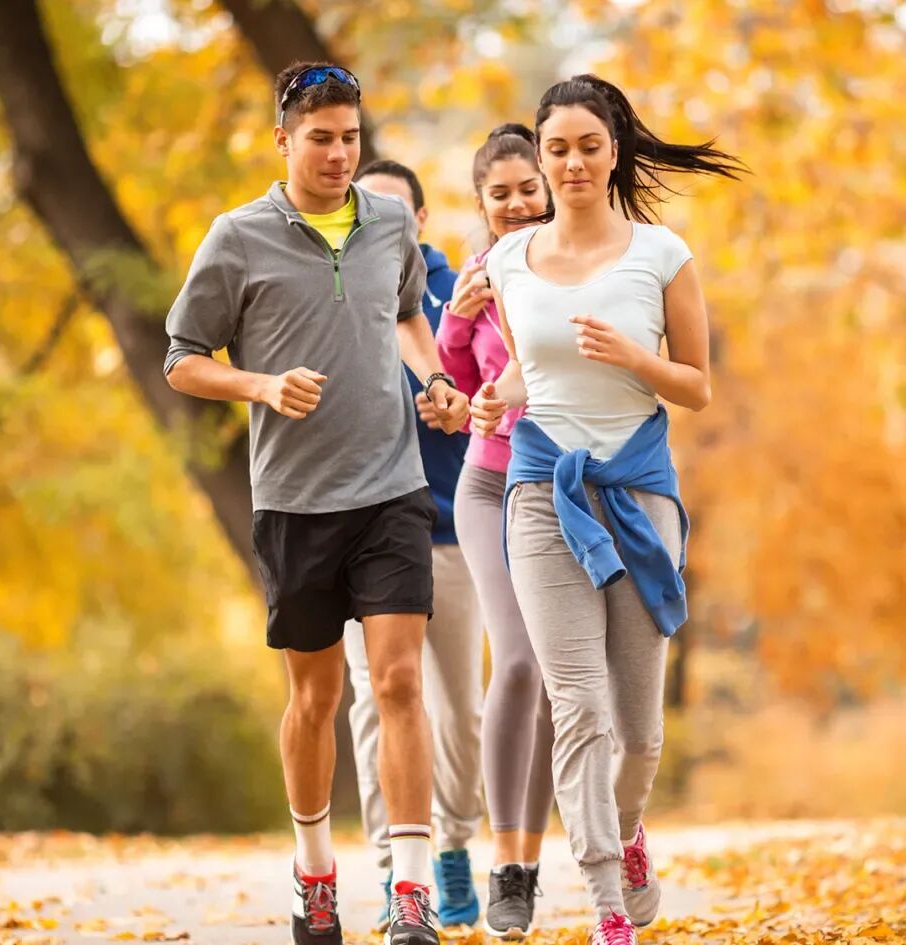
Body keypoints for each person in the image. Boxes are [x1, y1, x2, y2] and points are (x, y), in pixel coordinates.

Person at [163, 61, 469, 945]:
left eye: (351, 138)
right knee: (316, 697)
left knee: (402, 680)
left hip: (392, 489)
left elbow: (410, 316)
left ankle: (409, 893)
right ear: (284, 141)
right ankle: (314, 872)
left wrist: (439, 380)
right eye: (322, 139)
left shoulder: (388, 225)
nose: (340, 155)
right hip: (296, 502)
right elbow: (182, 358)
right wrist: (260, 384)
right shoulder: (237, 237)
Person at [468, 74, 742, 945]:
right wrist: (491, 398)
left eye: (589, 145)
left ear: (613, 150)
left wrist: (636, 356)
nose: (573, 162)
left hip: (636, 491)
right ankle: (606, 909)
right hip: (543, 490)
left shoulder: (662, 255)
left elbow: (697, 386)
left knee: (640, 730)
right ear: (540, 159)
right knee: (577, 706)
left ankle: (625, 833)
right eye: (557, 149)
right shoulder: (509, 261)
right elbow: (530, 369)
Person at [341, 158, 484, 931]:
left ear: (421, 222)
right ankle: (401, 864)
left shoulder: (462, 292)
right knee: (378, 700)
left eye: (397, 211)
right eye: (370, 210)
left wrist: (458, 403)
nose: (384, 223)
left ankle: (456, 842)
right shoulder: (338, 288)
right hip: (360, 527)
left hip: (452, 528)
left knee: (461, 710)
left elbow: (497, 387)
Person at [435, 124, 557, 940]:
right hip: (487, 481)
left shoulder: (581, 262)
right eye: (500, 193)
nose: (516, 203)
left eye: (527, 188)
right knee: (514, 658)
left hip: (565, 485)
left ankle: (544, 853)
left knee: (558, 674)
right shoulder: (475, 273)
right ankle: (505, 869)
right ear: (482, 203)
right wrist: (456, 314)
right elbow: (461, 378)